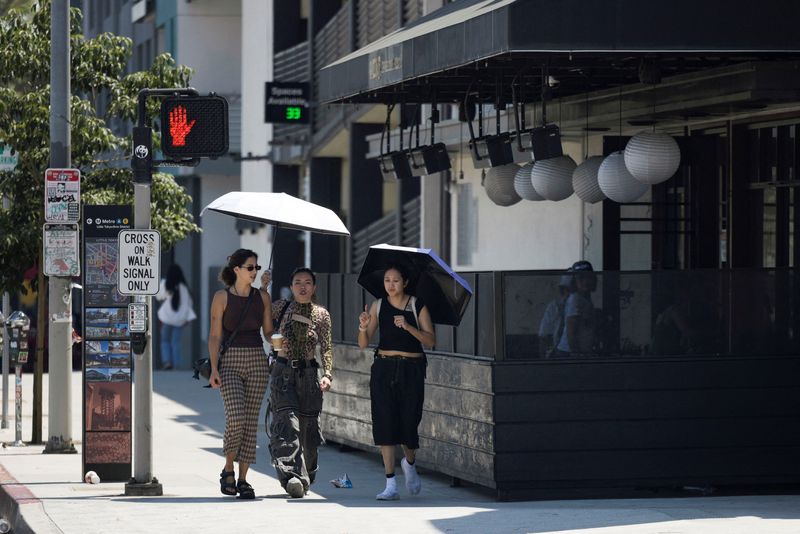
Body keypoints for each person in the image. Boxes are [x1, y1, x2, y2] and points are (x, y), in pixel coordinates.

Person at [357, 264, 436, 500]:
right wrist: (362, 327)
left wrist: (409, 326)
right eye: (387, 280)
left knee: (409, 423)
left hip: (411, 369)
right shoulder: (378, 304)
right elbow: (363, 343)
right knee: (384, 422)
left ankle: (409, 463)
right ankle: (390, 483)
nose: (390, 285)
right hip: (383, 367)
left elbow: (431, 340)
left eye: (395, 281)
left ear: (405, 283)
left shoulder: (417, 304)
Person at [261, 267, 332, 499]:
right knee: (286, 425)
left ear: (314, 287)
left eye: (307, 282)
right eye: (298, 282)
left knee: (308, 433)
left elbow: (327, 347)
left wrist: (327, 374)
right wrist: (263, 287)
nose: (303, 286)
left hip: (310, 375)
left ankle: (307, 471)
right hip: (283, 373)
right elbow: (261, 320)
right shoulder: (281, 307)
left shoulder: (321, 314)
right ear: (291, 287)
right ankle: (292, 476)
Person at [207, 249, 272, 499]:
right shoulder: (221, 297)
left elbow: (268, 332)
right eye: (250, 268)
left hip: (257, 360)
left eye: (256, 267)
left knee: (250, 422)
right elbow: (214, 335)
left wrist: (278, 341)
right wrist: (214, 368)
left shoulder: (262, 297)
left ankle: (243, 479)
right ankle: (227, 468)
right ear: (236, 270)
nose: (254, 272)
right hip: (230, 361)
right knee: (236, 417)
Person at [155, 264, 196, 370]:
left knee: (165, 341)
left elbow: (158, 296)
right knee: (176, 342)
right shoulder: (184, 287)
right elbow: (189, 303)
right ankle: (177, 364)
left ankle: (167, 362)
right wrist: (187, 318)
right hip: (180, 320)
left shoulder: (165, 283)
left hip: (166, 319)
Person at [554, 261, 597, 357]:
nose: (585, 281)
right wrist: (577, 354)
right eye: (581, 278)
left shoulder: (585, 299)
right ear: (574, 281)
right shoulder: (575, 299)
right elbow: (571, 330)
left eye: (588, 277)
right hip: (569, 354)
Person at [537, 273, 572, 357]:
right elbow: (543, 335)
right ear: (562, 290)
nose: (570, 294)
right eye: (568, 290)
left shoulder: (583, 307)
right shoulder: (554, 307)